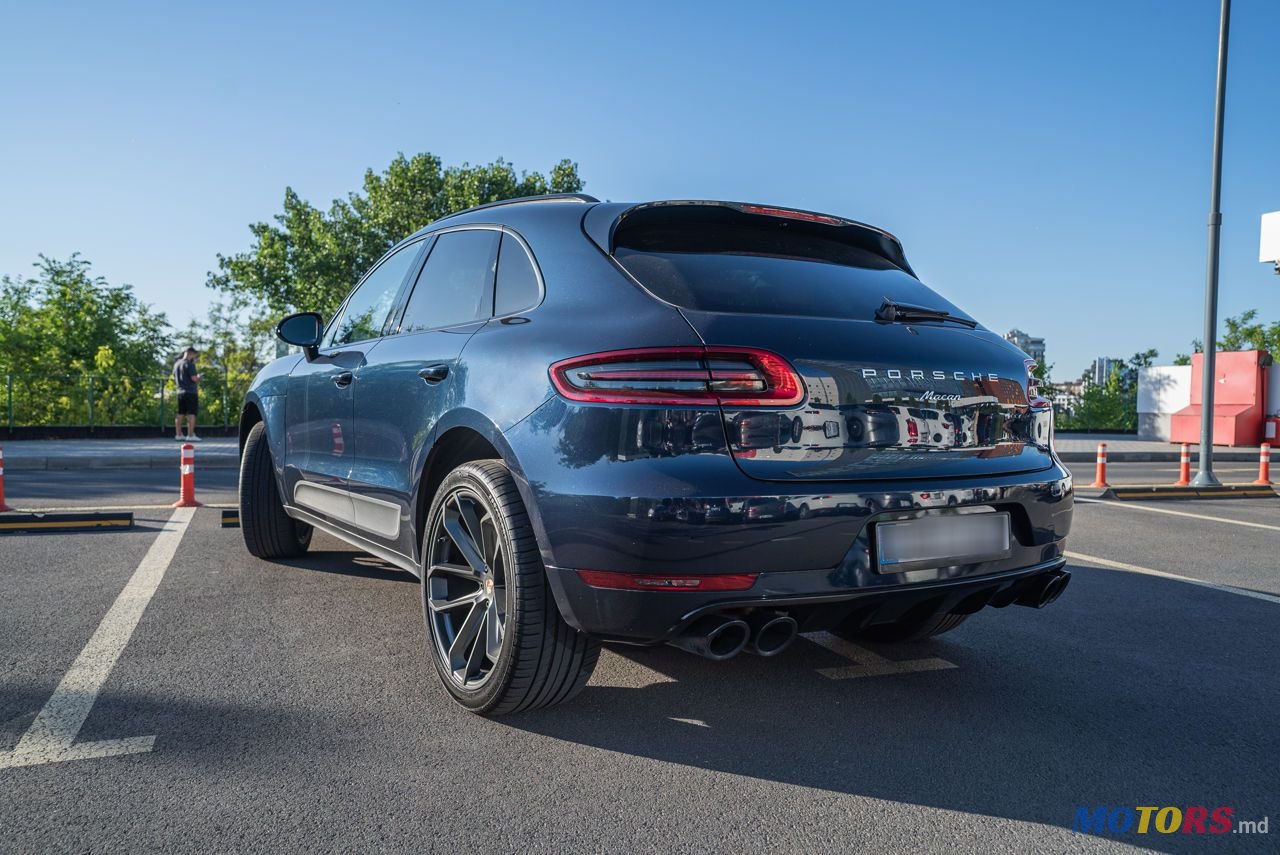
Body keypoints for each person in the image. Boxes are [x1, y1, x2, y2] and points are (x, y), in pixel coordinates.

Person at [173, 347, 202, 441]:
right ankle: (190, 435)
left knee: (180, 413)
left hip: (180, 391)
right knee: (191, 414)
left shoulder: (177, 364)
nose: (195, 357)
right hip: (190, 392)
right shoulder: (189, 364)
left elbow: (174, 376)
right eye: (194, 355)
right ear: (191, 353)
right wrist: (199, 377)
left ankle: (178, 435)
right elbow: (194, 378)